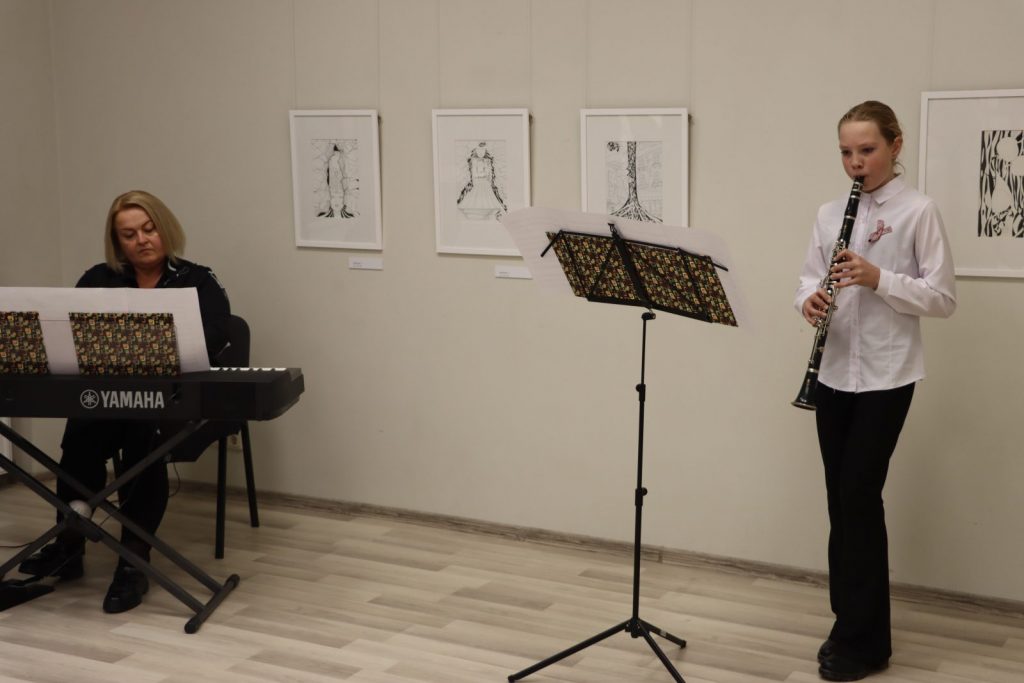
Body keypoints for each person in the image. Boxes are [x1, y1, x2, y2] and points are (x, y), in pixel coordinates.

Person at [795, 101, 957, 681]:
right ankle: (848, 624)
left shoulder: (919, 211)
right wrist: (809, 300)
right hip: (834, 371)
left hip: (888, 376)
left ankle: (867, 643)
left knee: (860, 496)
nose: (855, 162)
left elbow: (942, 298)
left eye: (866, 150)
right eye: (846, 152)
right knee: (839, 501)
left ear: (895, 145)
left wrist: (878, 278)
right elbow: (807, 278)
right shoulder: (828, 213)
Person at [18, 190, 230, 614]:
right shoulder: (99, 278)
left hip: (170, 402)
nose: (141, 240)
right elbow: (70, 337)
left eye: (149, 229)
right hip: (107, 398)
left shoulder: (198, 281)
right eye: (128, 234)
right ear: (117, 241)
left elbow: (214, 340)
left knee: (143, 442)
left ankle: (134, 557)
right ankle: (70, 542)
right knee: (80, 437)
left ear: (164, 228)